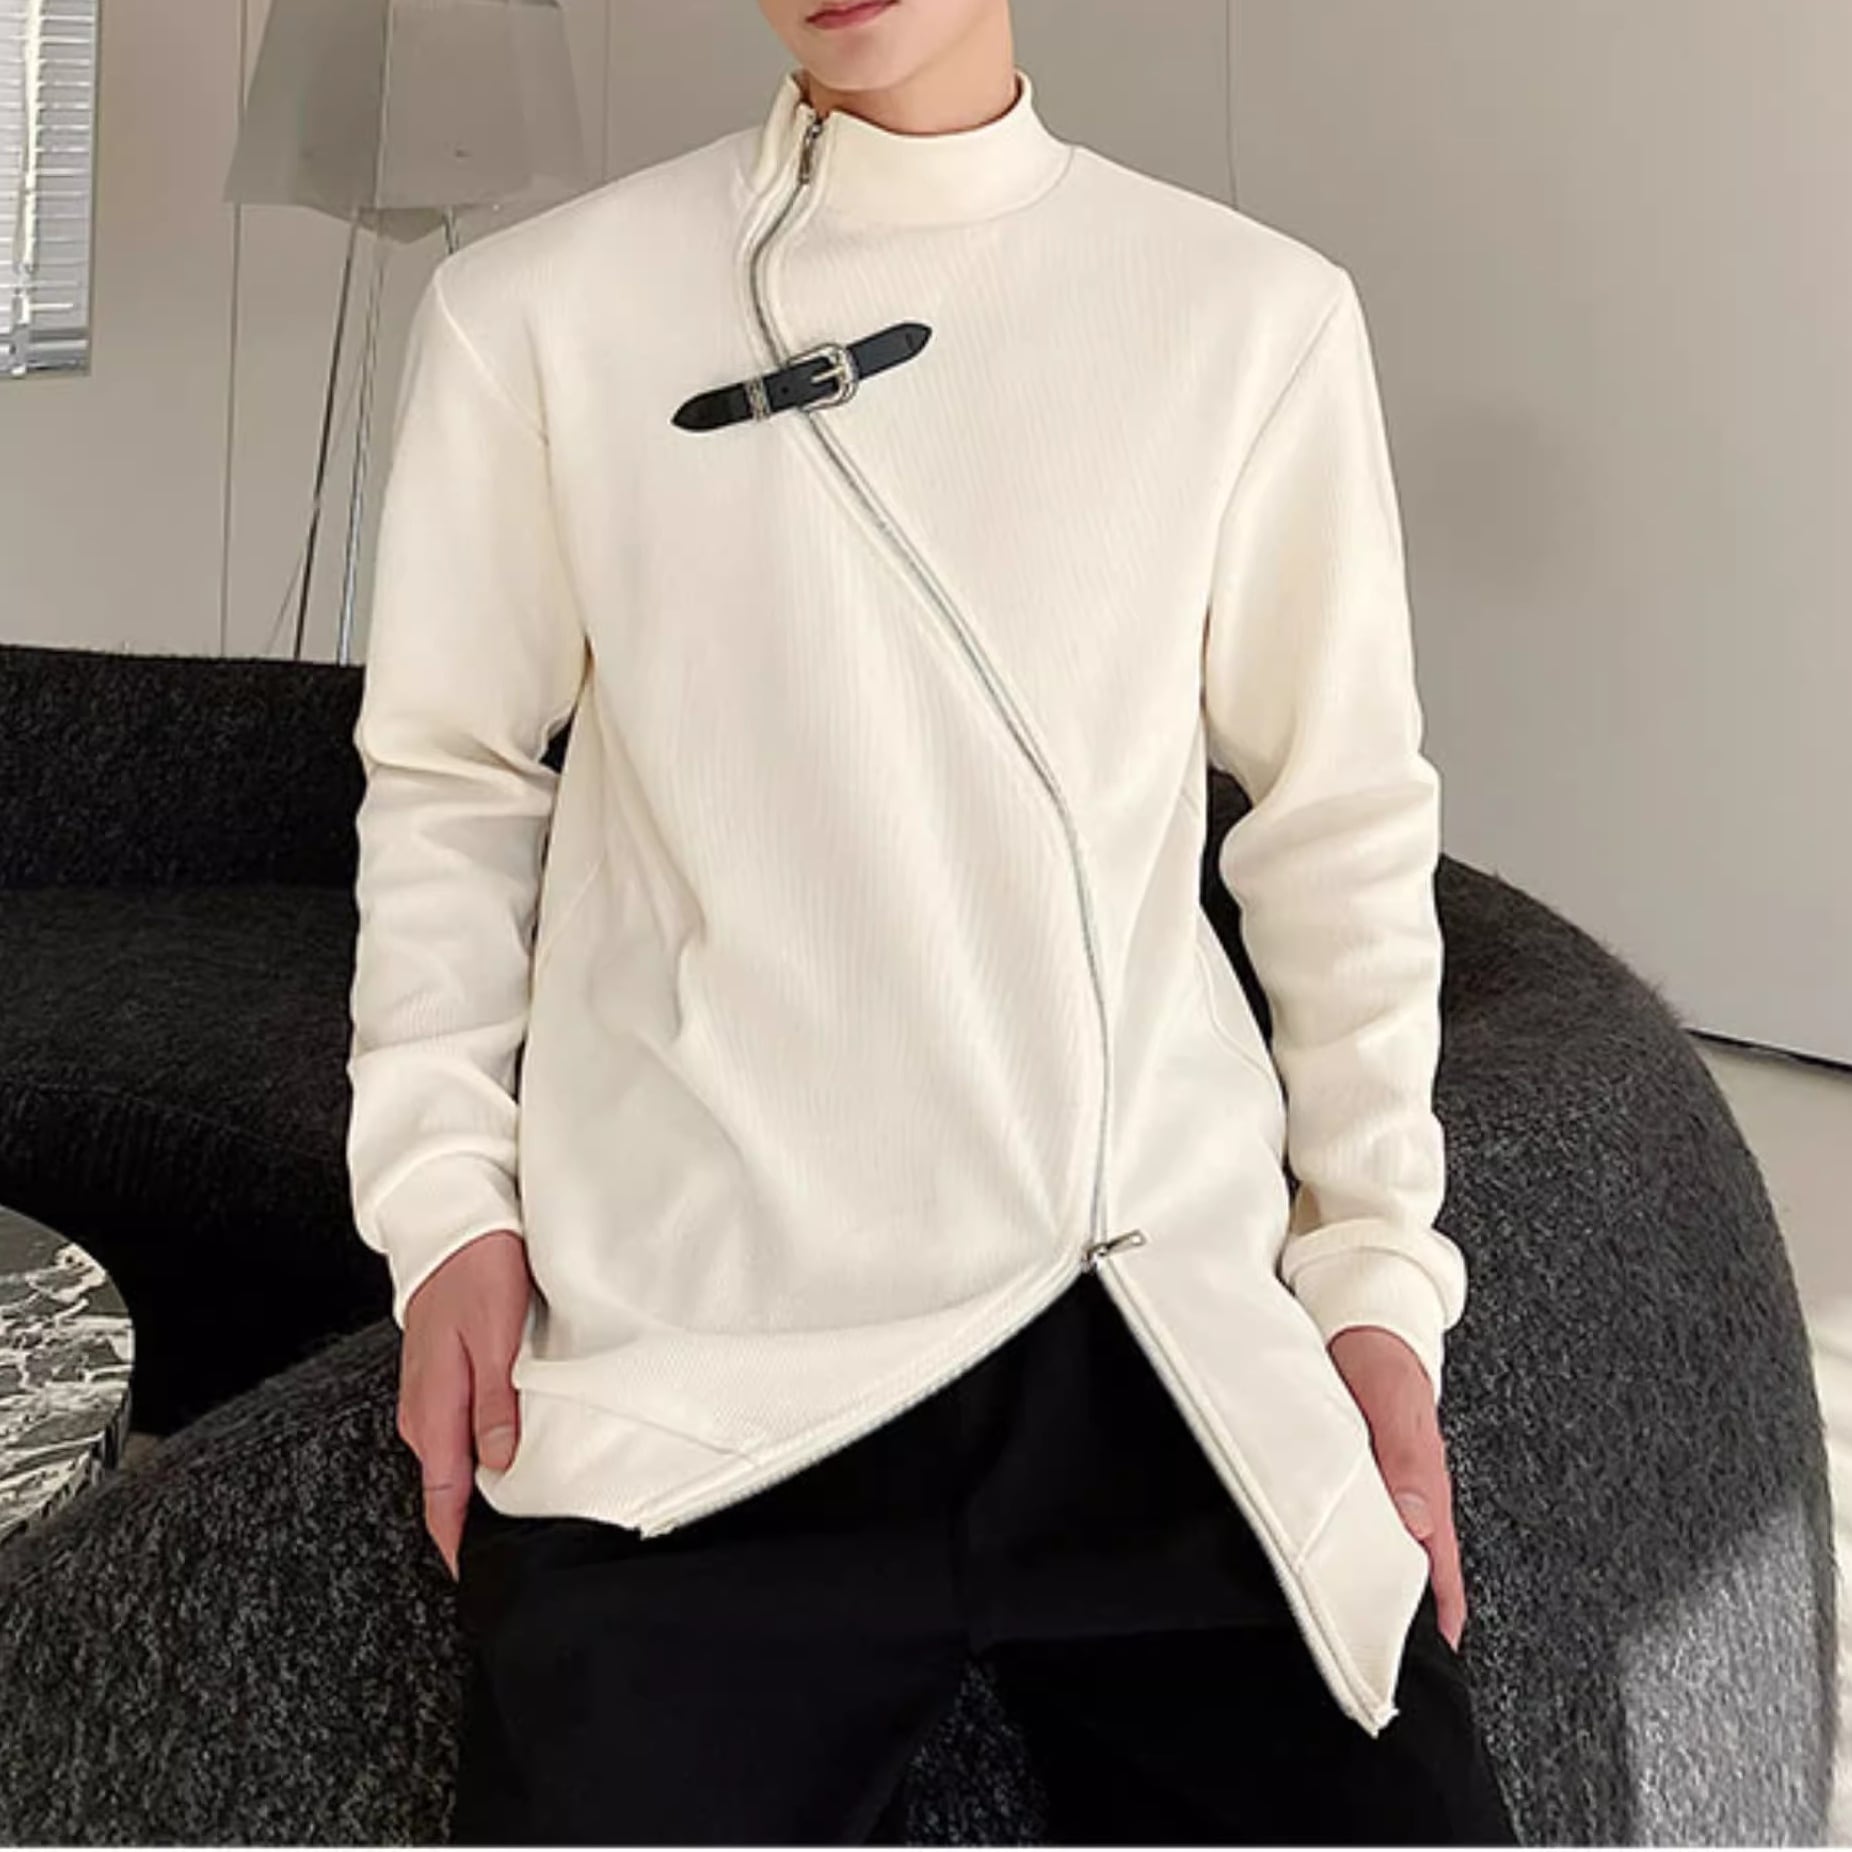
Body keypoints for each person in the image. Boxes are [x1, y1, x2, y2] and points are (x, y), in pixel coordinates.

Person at [345, 0, 1521, 1841]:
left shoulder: (1249, 315)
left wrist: (1373, 1283)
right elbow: (451, 778)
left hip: (1145, 1320)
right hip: (702, 1341)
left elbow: (1339, 826)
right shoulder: (537, 315)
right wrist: (443, 1213)